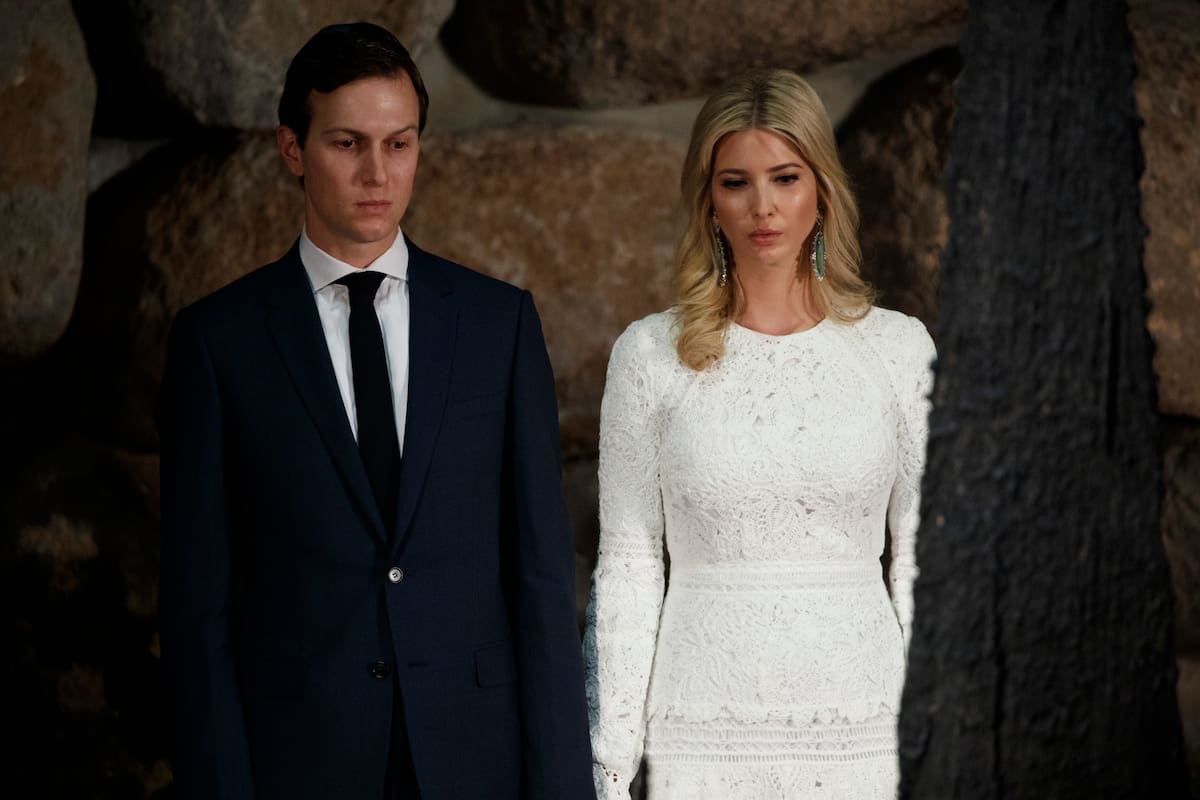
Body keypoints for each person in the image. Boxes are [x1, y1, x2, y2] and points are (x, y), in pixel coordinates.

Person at [157, 22, 593, 800]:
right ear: (292, 149)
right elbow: (197, 613)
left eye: (399, 143)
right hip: (299, 762)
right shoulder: (219, 342)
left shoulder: (497, 325)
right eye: (347, 143)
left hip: (475, 758)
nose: (377, 173)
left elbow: (541, 583)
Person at [583, 67, 935, 799]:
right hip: (700, 734)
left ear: (822, 189)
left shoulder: (899, 350)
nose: (763, 206)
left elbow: (921, 562)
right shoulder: (649, 355)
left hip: (867, 732)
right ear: (708, 200)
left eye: (785, 178)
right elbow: (629, 566)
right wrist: (611, 764)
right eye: (736, 182)